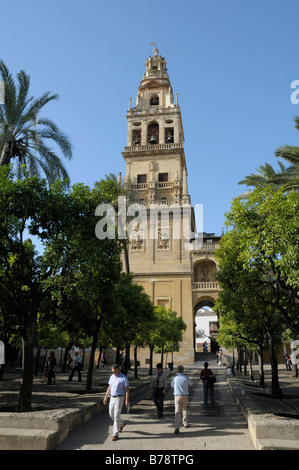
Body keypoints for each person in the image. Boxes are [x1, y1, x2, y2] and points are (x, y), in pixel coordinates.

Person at [103, 364, 130, 441]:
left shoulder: (124, 378)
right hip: (112, 397)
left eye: (115, 371)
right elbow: (109, 387)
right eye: (112, 371)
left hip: (120, 397)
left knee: (116, 414)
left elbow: (127, 389)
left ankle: (115, 434)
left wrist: (127, 399)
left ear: (118, 370)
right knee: (111, 414)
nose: (113, 373)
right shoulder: (111, 377)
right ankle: (122, 424)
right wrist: (106, 397)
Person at [170, 365, 193, 434]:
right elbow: (191, 384)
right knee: (185, 409)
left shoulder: (175, 378)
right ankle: (185, 423)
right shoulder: (186, 377)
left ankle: (177, 427)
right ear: (183, 370)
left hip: (177, 396)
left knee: (177, 411)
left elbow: (172, 386)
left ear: (177, 370)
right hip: (185, 395)